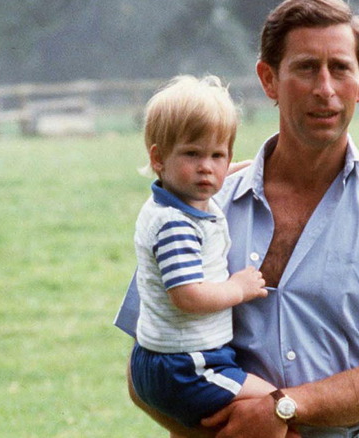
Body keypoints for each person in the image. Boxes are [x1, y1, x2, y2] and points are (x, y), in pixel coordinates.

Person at [115, 0, 359, 436]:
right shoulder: (200, 204)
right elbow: (145, 368)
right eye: (305, 68)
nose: (325, 88)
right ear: (269, 79)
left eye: (340, 68)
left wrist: (279, 409)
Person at [128, 74, 299, 433]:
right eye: (192, 154)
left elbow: (208, 179)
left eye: (217, 155)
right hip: (188, 366)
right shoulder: (176, 224)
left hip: (160, 360)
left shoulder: (172, 201)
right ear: (158, 158)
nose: (207, 167)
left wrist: (234, 171)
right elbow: (187, 295)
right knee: (278, 409)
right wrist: (239, 289)